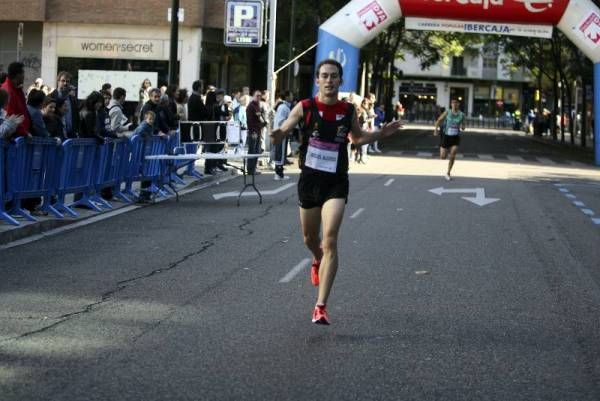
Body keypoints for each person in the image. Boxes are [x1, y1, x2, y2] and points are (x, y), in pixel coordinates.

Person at [270, 59, 402, 325]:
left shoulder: (347, 110)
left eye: (334, 77)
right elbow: (286, 128)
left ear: (340, 81)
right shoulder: (305, 107)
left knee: (329, 240)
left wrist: (380, 134)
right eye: (324, 76)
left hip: (336, 182)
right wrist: (277, 135)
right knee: (310, 238)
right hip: (309, 181)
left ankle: (320, 306)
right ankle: (317, 258)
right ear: (317, 80)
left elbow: (358, 138)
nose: (329, 80)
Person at [434, 98, 465, 181]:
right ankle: (445, 150)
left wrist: (462, 127)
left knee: (453, 153)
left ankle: (448, 173)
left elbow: (463, 126)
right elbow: (439, 120)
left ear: (458, 104)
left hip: (455, 137)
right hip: (446, 136)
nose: (454, 104)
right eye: (453, 103)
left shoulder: (462, 115)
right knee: (443, 157)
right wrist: (435, 130)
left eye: (456, 103)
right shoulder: (447, 112)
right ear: (451, 104)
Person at [1, 62, 31, 137]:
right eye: (23, 73)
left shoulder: (16, 89)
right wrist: (24, 132)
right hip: (15, 135)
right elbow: (10, 115)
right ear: (18, 75)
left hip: (20, 133)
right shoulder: (8, 91)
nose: (24, 76)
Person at [49, 71, 79, 138]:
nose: (65, 83)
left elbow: (76, 117)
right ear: (58, 82)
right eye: (63, 81)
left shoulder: (72, 99)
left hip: (71, 136)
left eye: (67, 81)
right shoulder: (51, 97)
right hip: (56, 136)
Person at [272, 90, 294, 180]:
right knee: (280, 154)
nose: (292, 97)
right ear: (287, 97)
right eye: (291, 95)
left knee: (280, 153)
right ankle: (278, 174)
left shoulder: (283, 107)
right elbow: (281, 121)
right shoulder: (284, 107)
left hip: (279, 132)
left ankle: (279, 173)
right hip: (281, 132)